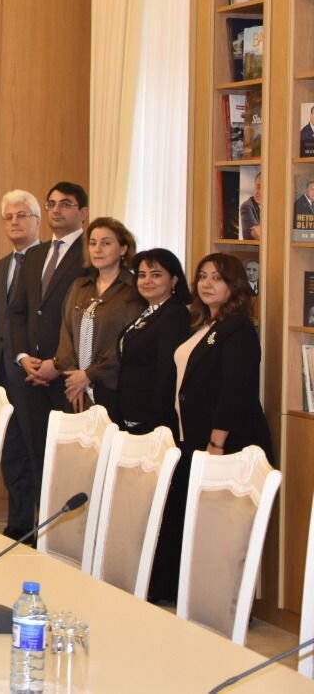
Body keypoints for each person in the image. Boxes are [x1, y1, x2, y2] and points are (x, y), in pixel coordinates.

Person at [149, 253, 274, 603]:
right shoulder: (206, 324)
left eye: (217, 278)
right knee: (185, 520)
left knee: (218, 530)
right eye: (202, 276)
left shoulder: (238, 328)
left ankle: (217, 604)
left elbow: (236, 389)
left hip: (226, 443)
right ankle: (181, 595)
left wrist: (217, 444)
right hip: (193, 440)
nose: (207, 283)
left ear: (234, 285)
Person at [8, 181, 89, 524]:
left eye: (65, 204)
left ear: (83, 212)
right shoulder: (35, 254)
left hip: (70, 379)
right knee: (37, 458)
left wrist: (57, 363)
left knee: (68, 465)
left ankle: (65, 538)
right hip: (32, 376)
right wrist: (23, 357)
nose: (56, 210)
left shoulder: (90, 252)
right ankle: (41, 532)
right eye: (51, 204)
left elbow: (86, 318)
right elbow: (19, 312)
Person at [0, 189, 43, 539]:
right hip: (3, 375)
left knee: (37, 454)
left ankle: (45, 529)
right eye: (8, 217)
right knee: (11, 454)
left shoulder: (47, 263)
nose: (14, 222)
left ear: (38, 221)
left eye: (22, 215)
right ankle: (19, 526)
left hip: (36, 373)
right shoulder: (1, 267)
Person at [51, 218, 143, 414]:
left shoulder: (134, 290)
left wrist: (89, 375)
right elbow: (66, 335)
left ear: (123, 249)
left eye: (106, 243)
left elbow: (128, 343)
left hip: (111, 388)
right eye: (93, 243)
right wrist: (75, 377)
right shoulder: (79, 286)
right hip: (74, 388)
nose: (97, 249)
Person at [114, 248, 192, 435]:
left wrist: (156, 421)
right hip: (131, 413)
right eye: (142, 275)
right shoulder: (149, 312)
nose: (147, 280)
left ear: (174, 280)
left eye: (156, 275)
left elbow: (167, 372)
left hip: (153, 420)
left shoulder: (174, 314)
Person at [239, 171, 263, 241]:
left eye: (263, 188)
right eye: (257, 187)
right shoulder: (247, 206)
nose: (258, 192)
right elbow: (258, 234)